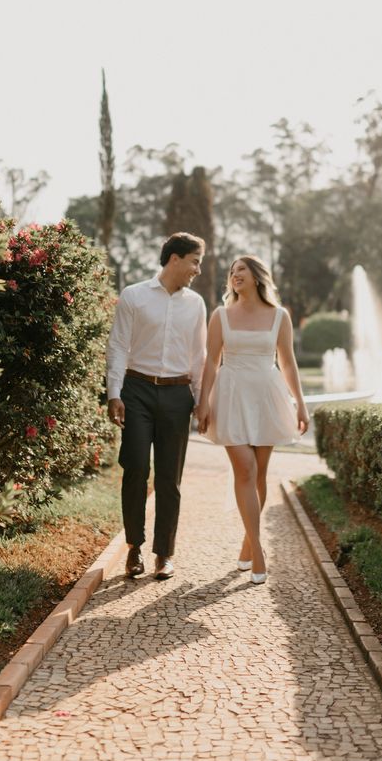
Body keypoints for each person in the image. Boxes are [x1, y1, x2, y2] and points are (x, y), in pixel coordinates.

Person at [196, 256, 309, 584]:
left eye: (240, 270)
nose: (234, 276)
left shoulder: (280, 316)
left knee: (259, 475)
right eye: (231, 273)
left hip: (266, 397)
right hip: (231, 396)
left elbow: (288, 364)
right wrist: (202, 403)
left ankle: (247, 543)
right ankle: (258, 551)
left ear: (257, 276)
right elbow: (209, 363)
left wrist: (300, 404)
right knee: (244, 469)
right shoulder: (220, 316)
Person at [107, 232, 207, 580]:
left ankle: (164, 553)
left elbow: (199, 355)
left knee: (169, 477)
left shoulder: (196, 304)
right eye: (195, 261)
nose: (197, 269)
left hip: (178, 395)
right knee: (135, 468)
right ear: (174, 258)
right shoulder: (134, 296)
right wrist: (114, 393)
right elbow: (118, 346)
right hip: (136, 390)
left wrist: (201, 400)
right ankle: (133, 547)